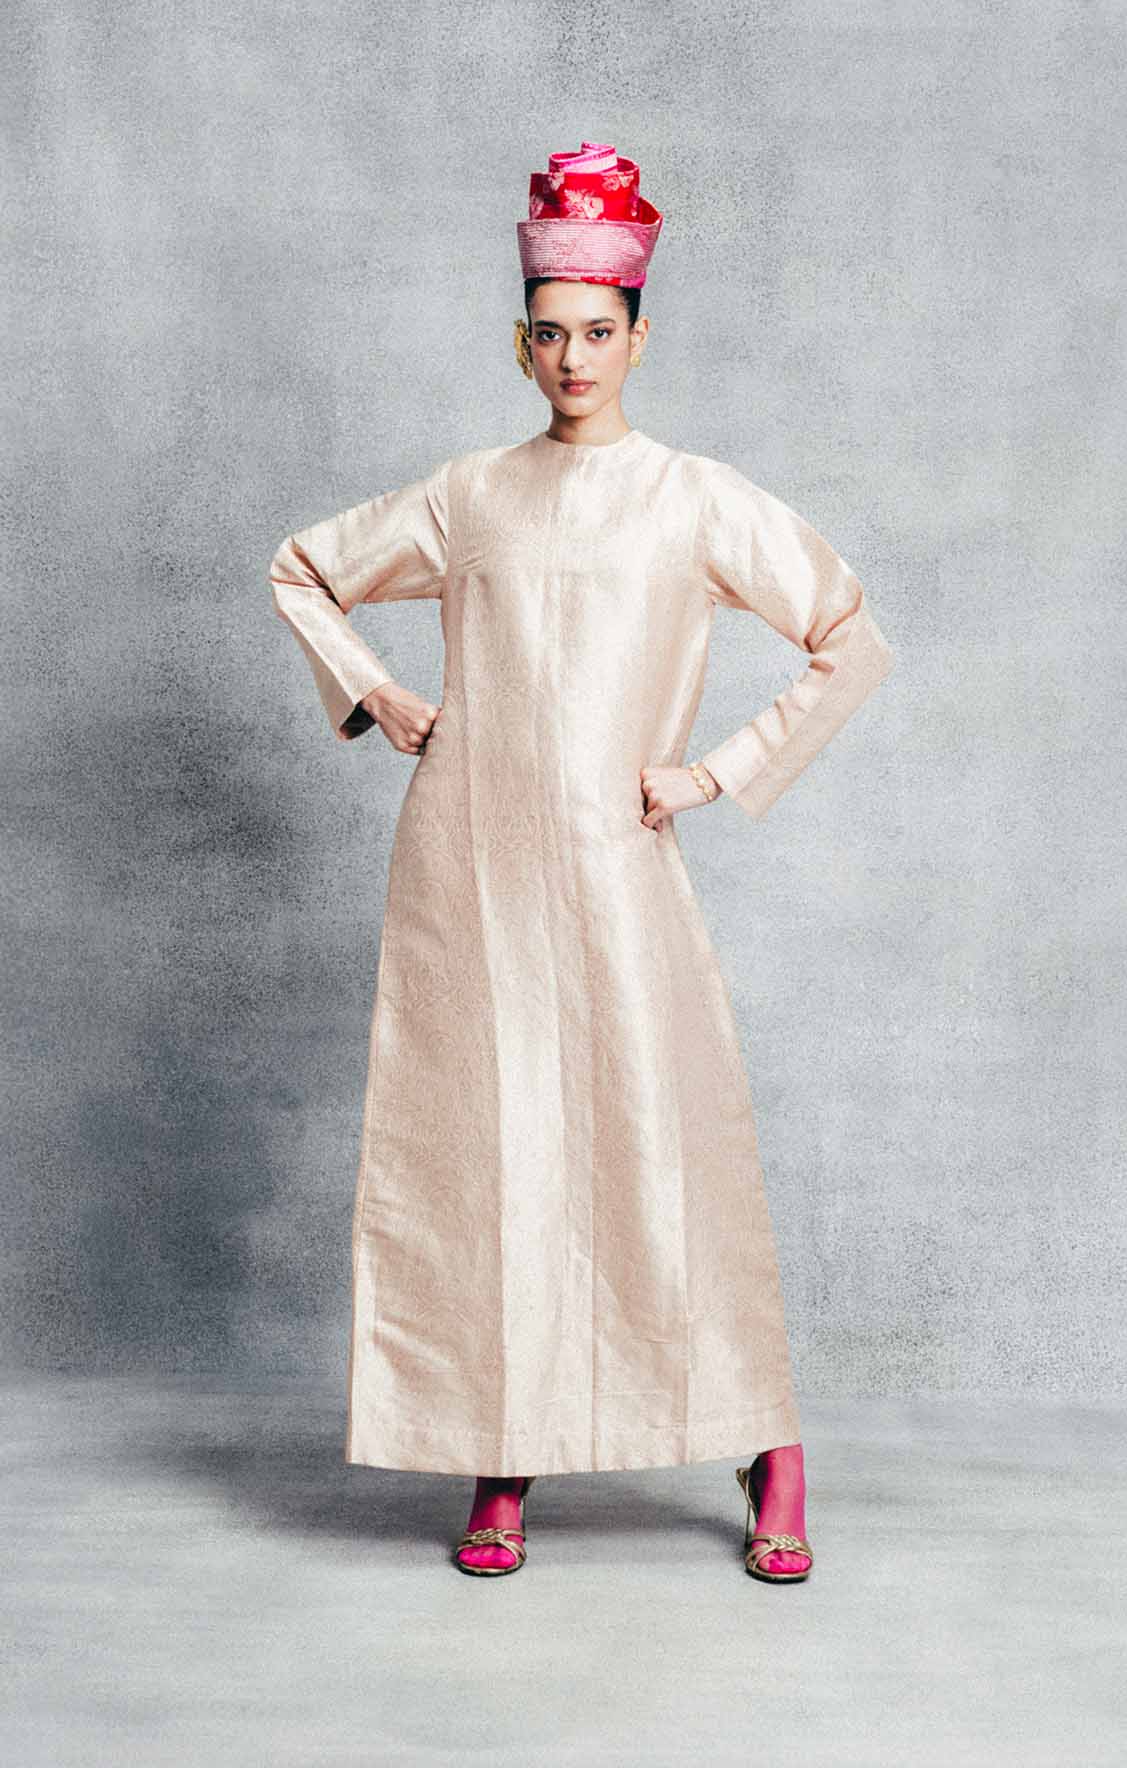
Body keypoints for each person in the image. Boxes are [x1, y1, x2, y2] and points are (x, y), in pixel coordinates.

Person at [268, 140, 895, 1584]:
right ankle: (504, 1446)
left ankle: (767, 1438)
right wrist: (380, 694)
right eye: (549, 334)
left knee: (666, 1146)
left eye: (598, 333)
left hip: (616, 863)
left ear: (639, 339)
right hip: (469, 868)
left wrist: (715, 771)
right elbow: (302, 569)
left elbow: (848, 638)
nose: (572, 360)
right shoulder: (470, 493)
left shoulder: (693, 496)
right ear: (521, 342)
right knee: (489, 1152)